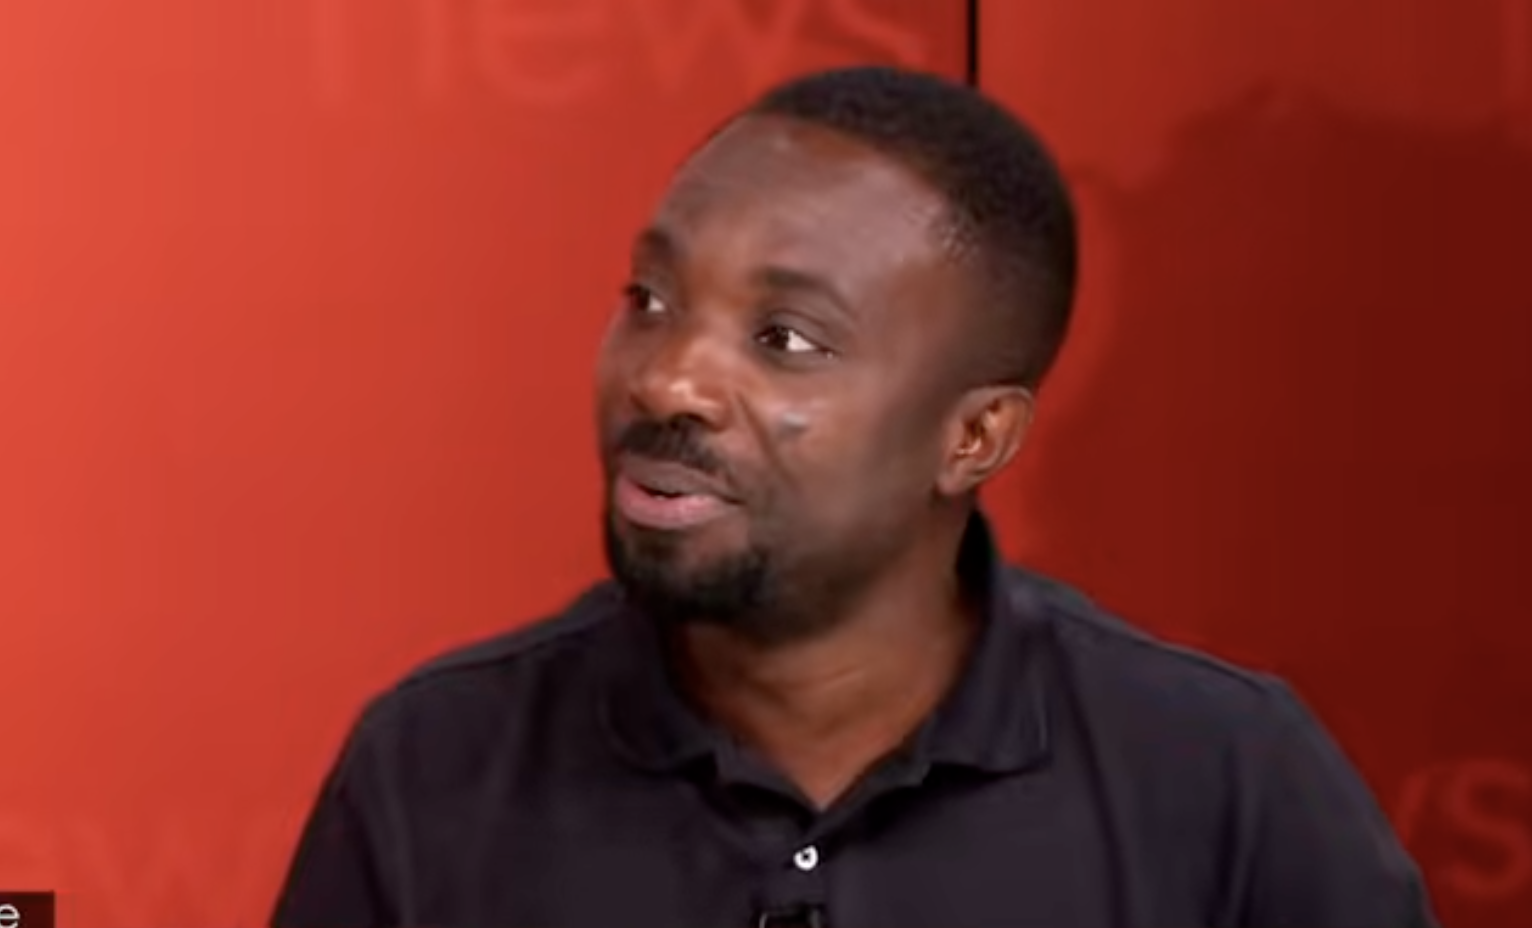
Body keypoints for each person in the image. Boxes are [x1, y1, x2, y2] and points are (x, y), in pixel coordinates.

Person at [270, 66, 1437, 928]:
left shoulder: (1225, 785)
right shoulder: (432, 770)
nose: (666, 380)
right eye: (650, 299)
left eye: (784, 338)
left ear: (971, 437)